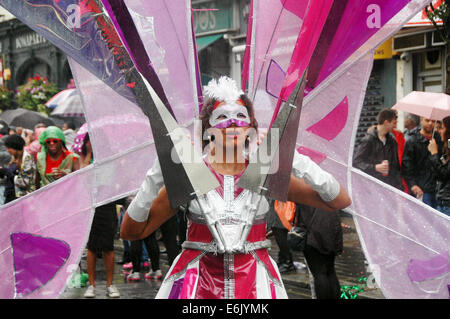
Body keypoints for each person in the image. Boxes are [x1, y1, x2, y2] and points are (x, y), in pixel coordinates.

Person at [120, 76, 351, 299]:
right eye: (222, 117)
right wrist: (156, 175)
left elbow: (339, 201)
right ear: (207, 129)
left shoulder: (262, 172)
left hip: (256, 288)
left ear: (251, 127)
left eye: (240, 116)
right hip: (196, 289)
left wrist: (297, 161)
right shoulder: (192, 173)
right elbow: (131, 232)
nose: (232, 123)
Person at [74, 131, 121, 298]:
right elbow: (83, 179)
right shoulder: (82, 158)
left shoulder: (109, 159)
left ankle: (110, 284)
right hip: (90, 206)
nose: (92, 144)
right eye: (89, 141)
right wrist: (89, 155)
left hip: (106, 205)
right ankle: (92, 285)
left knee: (108, 247)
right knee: (92, 247)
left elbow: (107, 181)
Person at [296, 204, 343, 299]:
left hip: (312, 229)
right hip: (332, 224)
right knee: (330, 270)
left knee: (319, 272)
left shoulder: (303, 189)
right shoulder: (331, 188)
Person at [353, 108, 403, 190]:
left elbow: (396, 167)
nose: (395, 126)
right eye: (394, 123)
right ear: (386, 122)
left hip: (389, 186)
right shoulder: (368, 140)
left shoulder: (392, 141)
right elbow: (356, 162)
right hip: (371, 187)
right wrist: (375, 167)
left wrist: (399, 188)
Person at [402, 117, 443, 208]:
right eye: (427, 120)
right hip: (421, 188)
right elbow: (406, 166)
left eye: (433, 121)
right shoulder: (412, 141)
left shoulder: (439, 139)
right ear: (421, 120)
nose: (430, 123)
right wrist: (412, 185)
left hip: (438, 190)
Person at [265, 199, 296, 273]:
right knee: (279, 232)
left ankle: (287, 262)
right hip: (277, 205)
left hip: (280, 206)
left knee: (280, 232)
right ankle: (284, 259)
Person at [427, 116, 450, 216]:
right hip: (442, 201)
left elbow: (444, 174)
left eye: (442, 128)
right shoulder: (447, 147)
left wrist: (434, 154)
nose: (439, 131)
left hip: (447, 204)